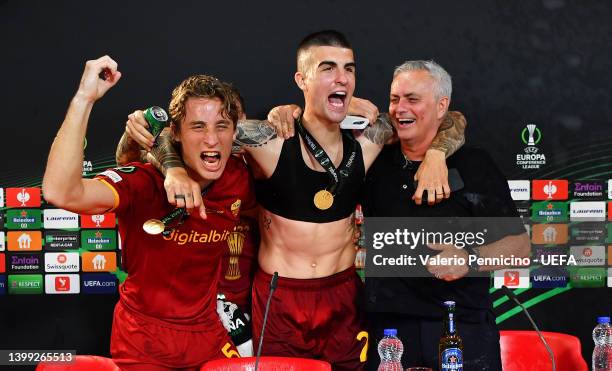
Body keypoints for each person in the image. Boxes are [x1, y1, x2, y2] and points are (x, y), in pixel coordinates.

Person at [119, 30, 465, 370]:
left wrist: (436, 155)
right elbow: (179, 134)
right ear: (302, 79)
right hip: (279, 297)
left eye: (349, 69)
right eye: (327, 69)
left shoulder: (371, 137)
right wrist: (171, 167)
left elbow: (450, 117)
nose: (341, 78)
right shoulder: (268, 139)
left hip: (341, 293)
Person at [42, 56, 255, 370]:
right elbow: (61, 191)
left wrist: (286, 113)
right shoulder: (143, 182)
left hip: (206, 333)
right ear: (176, 133)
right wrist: (84, 98)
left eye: (221, 126)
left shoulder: (240, 175)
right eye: (198, 127)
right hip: (144, 338)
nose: (212, 139)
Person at [362, 60, 530, 370]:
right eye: (395, 98)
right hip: (390, 331)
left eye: (413, 99)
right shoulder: (374, 161)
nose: (400, 108)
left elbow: (520, 248)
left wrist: (470, 259)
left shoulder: (475, 164)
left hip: (461, 325)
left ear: (442, 106)